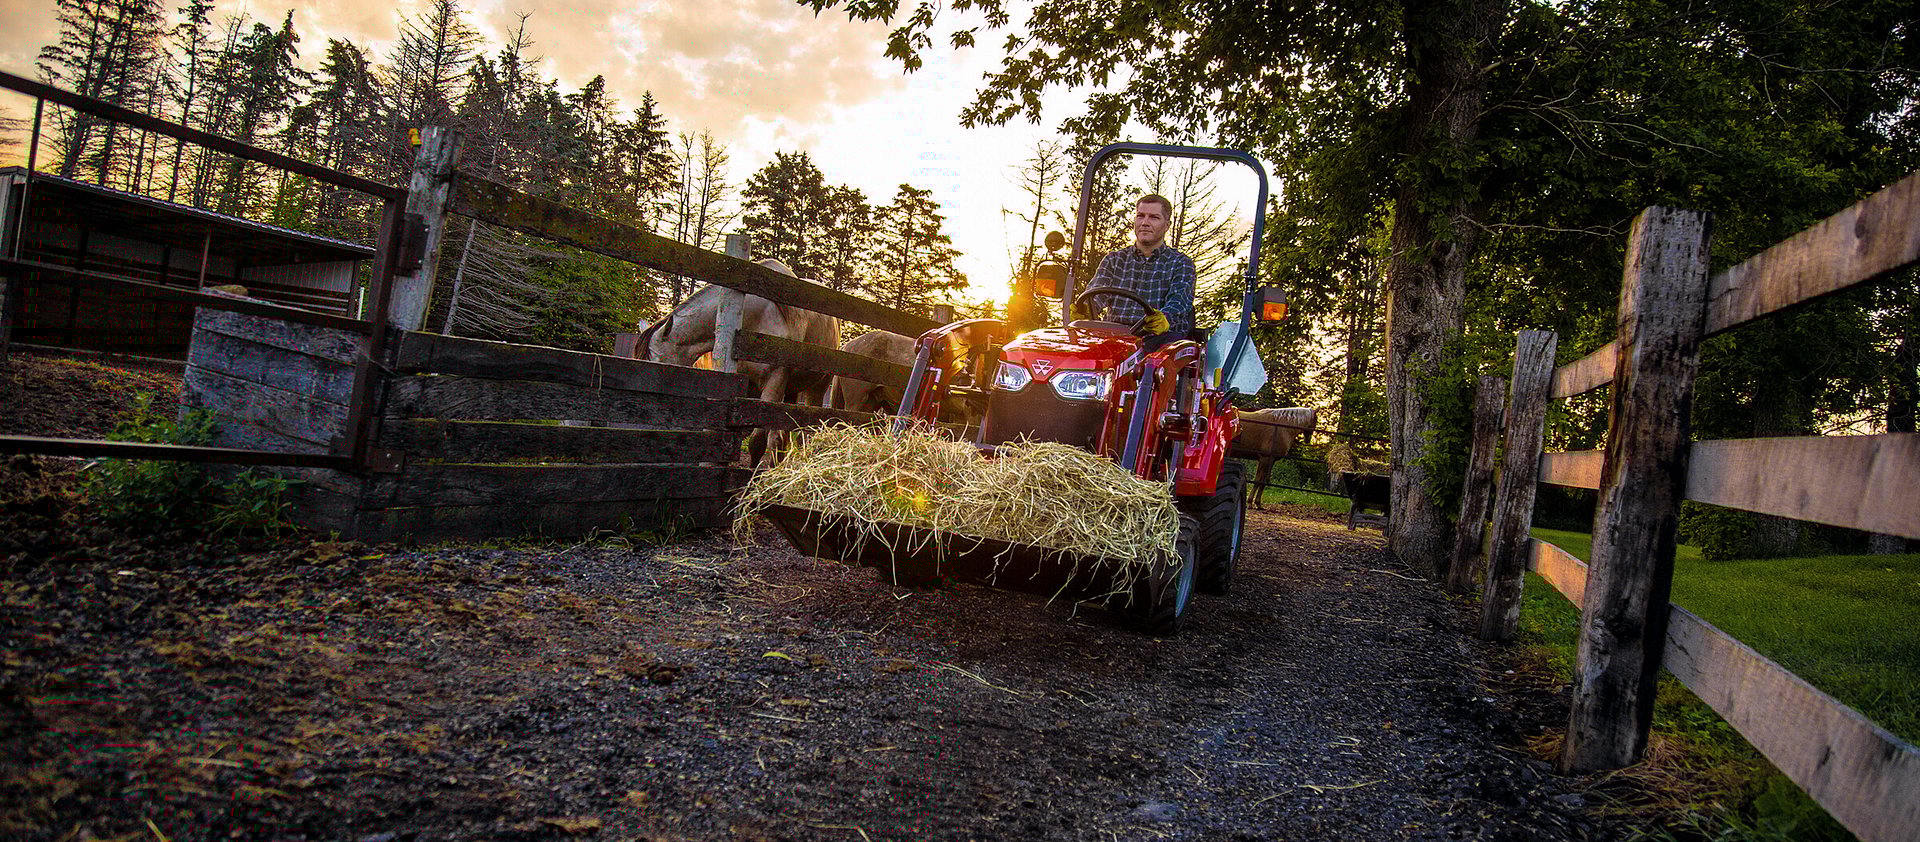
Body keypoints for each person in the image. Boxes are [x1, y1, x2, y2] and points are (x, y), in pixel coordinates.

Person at [1081, 194, 1196, 339]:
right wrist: (1085, 308)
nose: (1145, 223)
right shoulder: (1114, 260)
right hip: (1115, 337)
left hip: (1159, 339)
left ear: (1167, 225)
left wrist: (1164, 318)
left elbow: (1178, 303)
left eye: (1154, 217)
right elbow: (1096, 294)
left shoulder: (1181, 263)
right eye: (1141, 216)